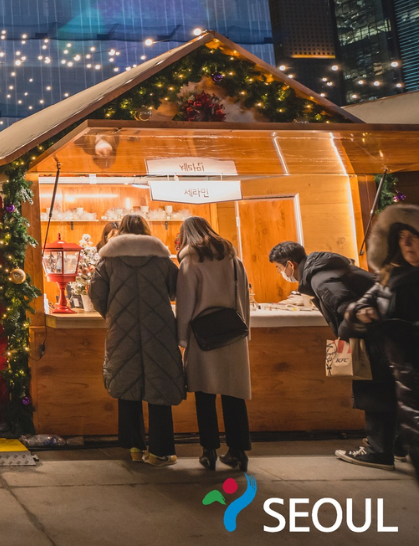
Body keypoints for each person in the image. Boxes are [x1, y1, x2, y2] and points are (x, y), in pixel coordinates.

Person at [269, 240, 397, 469]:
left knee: (373, 391)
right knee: (386, 389)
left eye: (279, 269)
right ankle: (395, 445)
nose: (281, 273)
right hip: (385, 334)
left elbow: (349, 308)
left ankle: (379, 452)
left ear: (290, 264)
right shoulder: (325, 267)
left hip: (373, 338)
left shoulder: (321, 278)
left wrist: (343, 342)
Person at [89, 214, 183, 467]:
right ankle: (159, 452)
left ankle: (134, 447)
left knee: (126, 384)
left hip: (122, 329)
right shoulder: (161, 258)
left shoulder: (108, 260)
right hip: (159, 329)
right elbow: (176, 288)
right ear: (146, 229)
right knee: (159, 387)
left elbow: (96, 292)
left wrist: (112, 314)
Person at [350, 203, 419, 485]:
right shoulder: (391, 276)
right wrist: (360, 313)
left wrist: (394, 328)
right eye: (402, 237)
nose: (408, 244)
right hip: (404, 373)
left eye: (414, 236)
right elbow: (362, 303)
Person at [176, 216, 252, 472]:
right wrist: (246, 331)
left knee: (204, 395)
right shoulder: (232, 258)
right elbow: (244, 296)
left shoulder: (190, 260)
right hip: (233, 333)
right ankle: (238, 452)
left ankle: (208, 451)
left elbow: (185, 302)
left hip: (203, 336)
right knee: (234, 394)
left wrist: (182, 337)